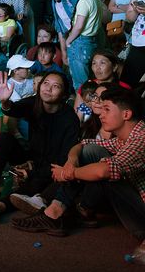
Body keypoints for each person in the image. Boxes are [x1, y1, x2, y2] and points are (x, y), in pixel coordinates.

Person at [12, 86, 144, 264]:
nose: (101, 114)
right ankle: (55, 211)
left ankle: (61, 210)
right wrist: (71, 161)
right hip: (135, 205)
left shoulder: (141, 138)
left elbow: (105, 171)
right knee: (91, 151)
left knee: (102, 169)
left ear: (126, 114)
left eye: (107, 109)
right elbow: (83, 144)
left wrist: (69, 173)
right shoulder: (123, 138)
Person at [0, 71, 78, 222]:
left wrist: (31, 171)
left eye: (56, 86)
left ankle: (0, 206)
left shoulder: (70, 118)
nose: (48, 88)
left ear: (64, 95)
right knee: (4, 138)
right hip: (31, 158)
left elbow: (64, 159)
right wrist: (4, 102)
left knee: (39, 181)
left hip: (53, 167)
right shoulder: (34, 102)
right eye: (46, 83)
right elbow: (13, 109)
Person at [64, 0, 105, 91]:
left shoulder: (84, 1)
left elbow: (79, 26)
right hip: (92, 41)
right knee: (89, 79)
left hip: (81, 43)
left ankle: (82, 102)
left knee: (81, 84)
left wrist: (68, 40)